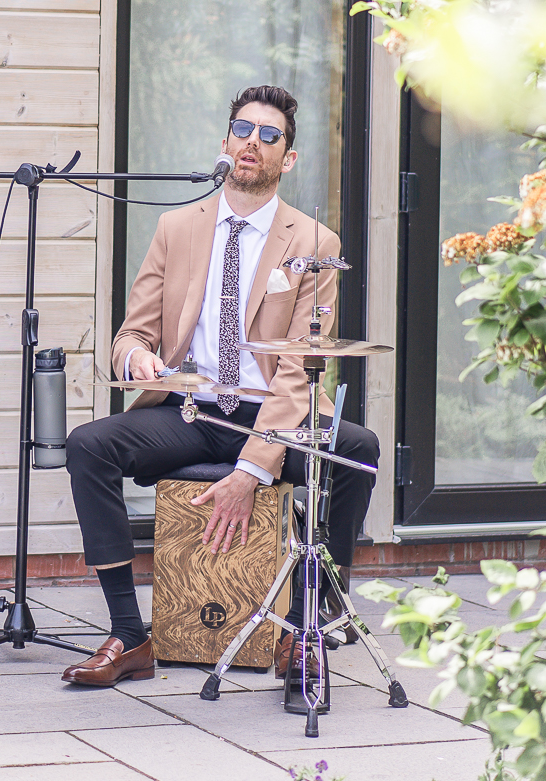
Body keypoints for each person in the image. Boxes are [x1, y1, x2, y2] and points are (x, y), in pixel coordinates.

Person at [60, 84, 380, 711]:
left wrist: (251, 470)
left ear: (288, 158)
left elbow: (298, 369)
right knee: (88, 447)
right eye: (242, 129)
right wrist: (138, 358)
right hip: (191, 409)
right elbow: (131, 332)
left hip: (271, 415)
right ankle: (129, 636)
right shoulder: (176, 226)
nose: (251, 143)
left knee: (356, 451)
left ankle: (307, 633)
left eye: (269, 135)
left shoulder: (315, 243)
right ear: (225, 140)